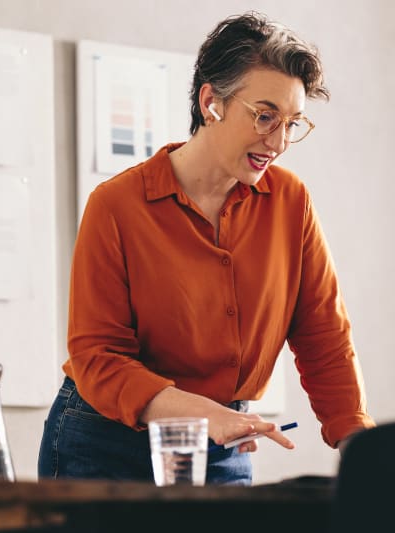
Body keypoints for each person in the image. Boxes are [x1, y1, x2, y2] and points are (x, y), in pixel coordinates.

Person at [38, 11, 375, 485]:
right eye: (264, 116)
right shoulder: (115, 206)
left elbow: (324, 336)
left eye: (293, 123)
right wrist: (203, 414)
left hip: (221, 442)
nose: (278, 142)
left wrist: (361, 448)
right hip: (103, 441)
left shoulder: (291, 201)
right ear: (211, 101)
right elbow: (98, 357)